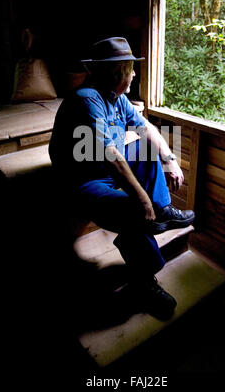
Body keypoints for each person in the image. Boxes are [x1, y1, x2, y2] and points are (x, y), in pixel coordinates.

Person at [49, 37, 195, 320]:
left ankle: (163, 211)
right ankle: (144, 283)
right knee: (134, 214)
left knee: (146, 146)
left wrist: (170, 160)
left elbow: (146, 128)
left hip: (103, 167)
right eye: (131, 69)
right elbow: (109, 153)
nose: (135, 74)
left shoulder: (117, 97)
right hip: (84, 180)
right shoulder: (87, 99)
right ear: (118, 73)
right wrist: (141, 198)